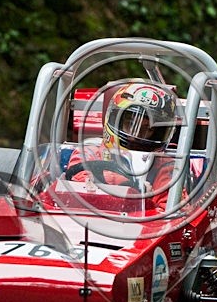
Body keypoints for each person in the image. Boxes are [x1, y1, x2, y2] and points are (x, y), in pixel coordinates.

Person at [66, 80, 180, 210]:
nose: (135, 135)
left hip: (140, 227)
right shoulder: (88, 152)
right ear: (115, 119)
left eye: (148, 129)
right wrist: (131, 193)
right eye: (130, 123)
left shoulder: (164, 166)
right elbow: (75, 192)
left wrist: (145, 202)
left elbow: (171, 216)